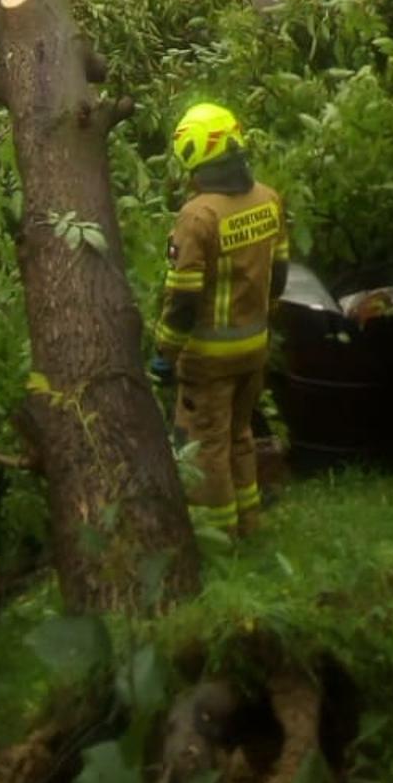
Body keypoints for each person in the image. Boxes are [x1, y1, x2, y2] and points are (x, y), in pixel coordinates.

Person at [149, 103, 290, 536]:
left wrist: (165, 352)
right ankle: (248, 523)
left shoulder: (199, 216)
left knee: (205, 445)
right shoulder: (268, 199)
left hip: (208, 358)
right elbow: (280, 276)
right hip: (254, 347)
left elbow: (184, 298)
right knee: (239, 435)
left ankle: (218, 538)